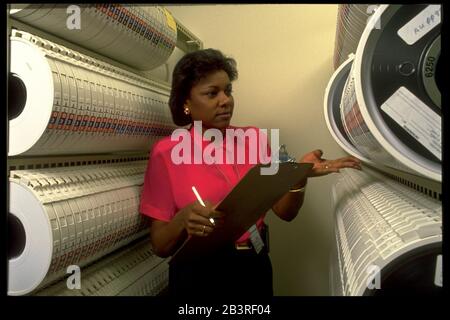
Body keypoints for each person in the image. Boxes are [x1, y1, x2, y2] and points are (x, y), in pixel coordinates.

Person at [139, 48, 361, 298]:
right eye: (212, 93)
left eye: (228, 91)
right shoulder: (166, 153)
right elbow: (160, 245)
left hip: (253, 267)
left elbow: (285, 212)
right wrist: (183, 218)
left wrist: (297, 176)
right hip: (198, 276)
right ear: (186, 104)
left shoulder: (253, 139)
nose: (226, 100)